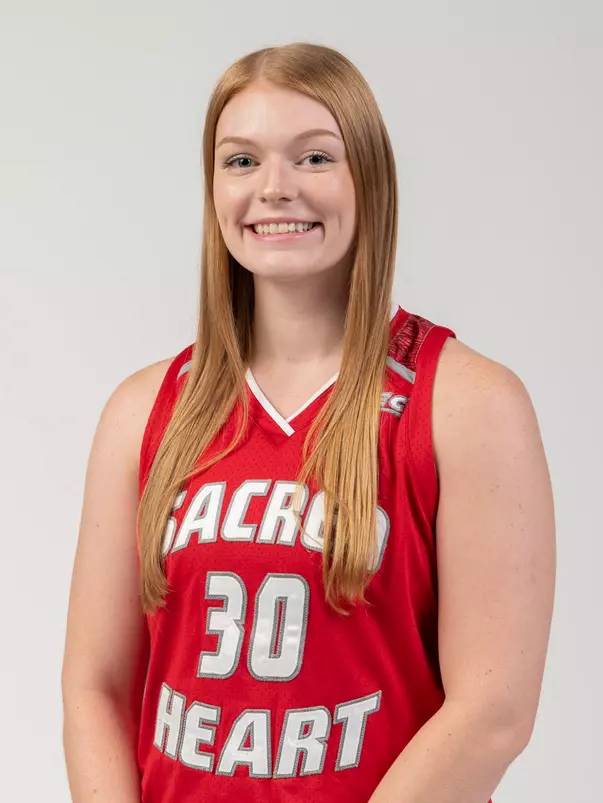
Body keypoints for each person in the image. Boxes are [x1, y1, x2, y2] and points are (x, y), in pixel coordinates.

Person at [61, 42, 556, 803]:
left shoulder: (466, 403)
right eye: (241, 161)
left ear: (370, 178)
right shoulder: (143, 411)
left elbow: (493, 713)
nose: (274, 189)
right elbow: (95, 686)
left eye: (315, 157)